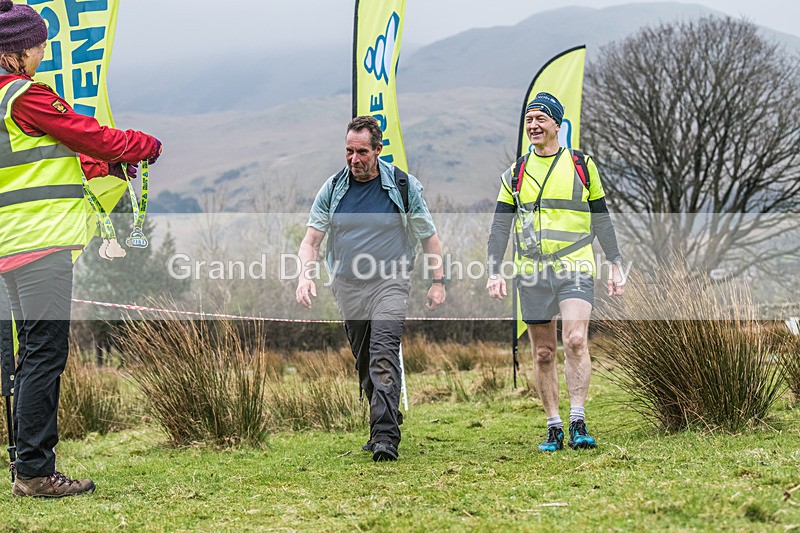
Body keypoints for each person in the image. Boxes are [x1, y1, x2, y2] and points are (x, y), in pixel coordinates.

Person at [0, 0, 162, 497]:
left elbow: (49, 153)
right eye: (38, 45)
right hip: (39, 242)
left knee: (31, 353)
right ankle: (34, 472)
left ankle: (25, 464)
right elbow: (85, 133)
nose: (43, 53)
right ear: (15, 51)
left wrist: (102, 167)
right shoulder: (24, 94)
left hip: (13, 243)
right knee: (45, 354)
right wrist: (141, 146)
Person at [295, 116, 445, 462]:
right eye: (349, 151)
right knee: (365, 361)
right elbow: (311, 241)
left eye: (362, 152)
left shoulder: (403, 186)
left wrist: (438, 282)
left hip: (390, 281)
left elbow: (429, 237)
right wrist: (305, 276)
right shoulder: (334, 188)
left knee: (383, 353)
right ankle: (385, 416)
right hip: (347, 286)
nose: (354, 159)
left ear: (378, 149)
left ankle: (385, 437)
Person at [486, 92, 625, 452]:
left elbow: (602, 218)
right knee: (544, 352)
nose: (533, 126)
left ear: (557, 124)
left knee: (576, 339)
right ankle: (554, 427)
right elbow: (500, 227)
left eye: (540, 119)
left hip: (575, 265)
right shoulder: (514, 174)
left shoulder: (582, 165)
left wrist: (615, 263)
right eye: (529, 120)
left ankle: (578, 421)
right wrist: (494, 270)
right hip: (531, 272)